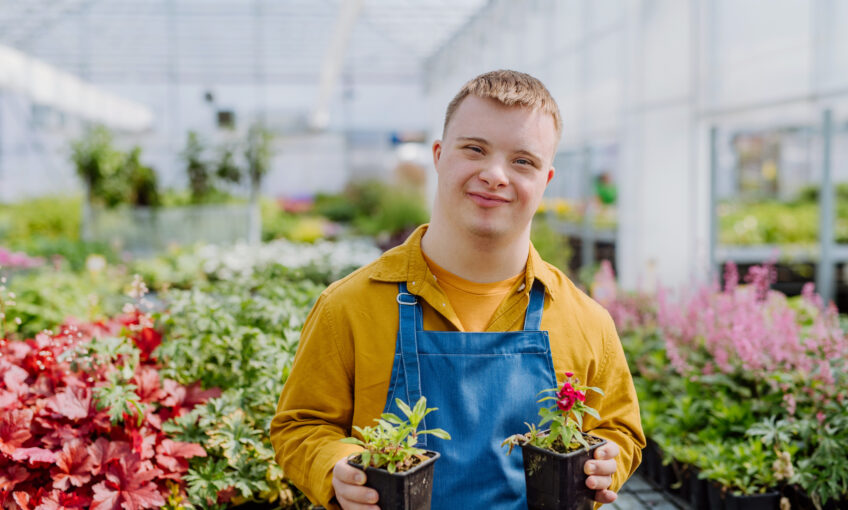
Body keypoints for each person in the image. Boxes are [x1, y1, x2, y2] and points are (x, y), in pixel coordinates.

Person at [270, 70, 645, 510]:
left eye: (523, 161)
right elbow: (300, 426)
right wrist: (337, 467)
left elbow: (621, 430)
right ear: (439, 155)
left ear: (545, 181)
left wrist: (605, 461)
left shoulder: (585, 320)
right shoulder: (349, 306)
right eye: (474, 149)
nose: (495, 174)